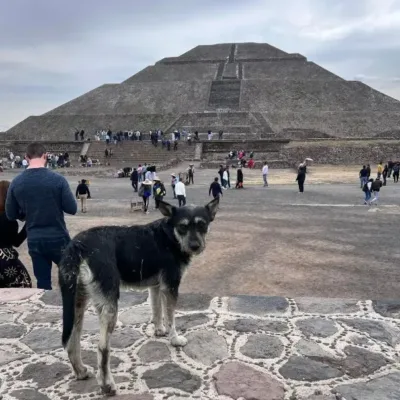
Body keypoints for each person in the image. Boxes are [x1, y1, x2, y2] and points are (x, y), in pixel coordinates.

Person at [6, 143, 77, 290]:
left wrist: (25, 213)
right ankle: (70, 308)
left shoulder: (16, 182)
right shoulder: (58, 180)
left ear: (26, 157)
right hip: (58, 237)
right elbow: (72, 209)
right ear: (46, 156)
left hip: (35, 239)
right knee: (70, 277)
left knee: (43, 282)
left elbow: (11, 214)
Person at [0, 181, 32, 288]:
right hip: (4, 260)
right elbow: (16, 242)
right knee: (24, 284)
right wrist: (29, 223)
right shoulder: (8, 219)